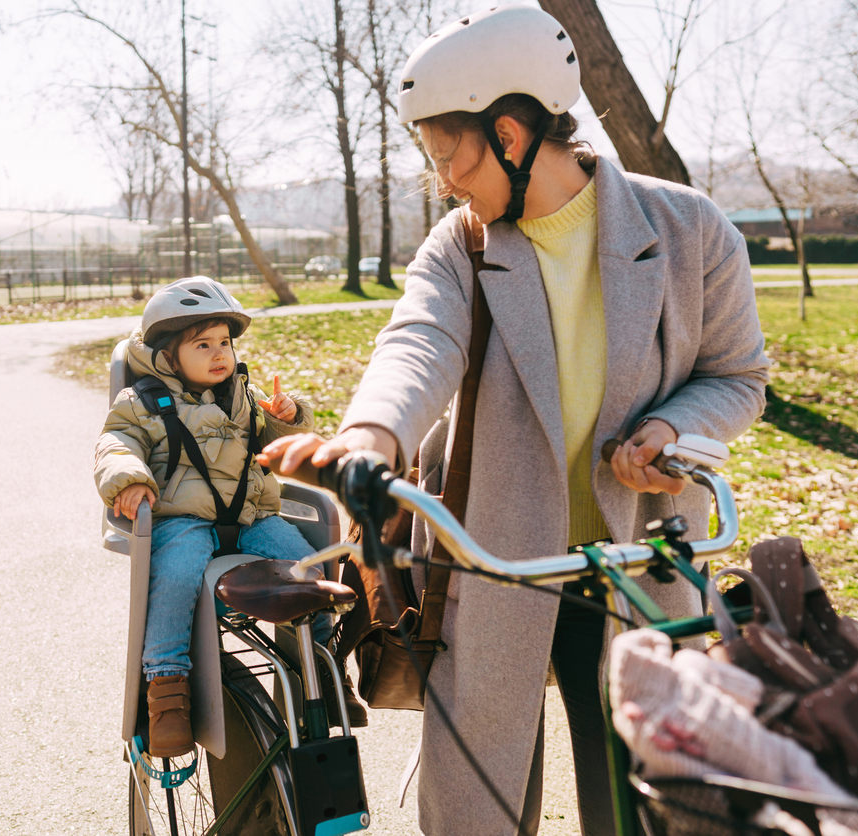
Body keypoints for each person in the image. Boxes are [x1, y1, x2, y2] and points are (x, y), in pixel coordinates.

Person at [259, 5, 769, 835]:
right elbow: (416, 343)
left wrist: (672, 431)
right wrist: (366, 438)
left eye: (449, 156)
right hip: (491, 562)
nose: (446, 183)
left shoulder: (690, 231)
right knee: (476, 814)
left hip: (642, 561)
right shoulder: (460, 246)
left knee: (646, 808)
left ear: (509, 130)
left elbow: (737, 378)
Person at [95, 276, 349, 759]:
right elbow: (115, 443)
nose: (219, 354)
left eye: (225, 343)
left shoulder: (240, 393)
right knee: (175, 575)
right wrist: (127, 476)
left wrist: (288, 416)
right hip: (182, 520)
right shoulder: (142, 402)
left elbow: (271, 443)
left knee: (309, 568)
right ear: (170, 355)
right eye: (203, 344)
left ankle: (317, 667)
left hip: (250, 517)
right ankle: (166, 687)